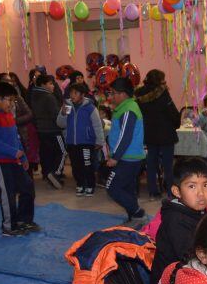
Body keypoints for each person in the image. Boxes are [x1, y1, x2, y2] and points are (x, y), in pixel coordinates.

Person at [0, 82, 39, 236]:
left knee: (27, 187)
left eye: (14, 100)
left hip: (14, 160)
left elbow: (16, 138)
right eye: (9, 100)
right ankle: (9, 226)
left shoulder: (8, 115)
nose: (12, 104)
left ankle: (24, 220)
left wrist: (23, 156)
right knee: (8, 194)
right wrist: (13, 152)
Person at [149, 157, 207, 284]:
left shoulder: (197, 211)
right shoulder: (176, 220)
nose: (201, 193)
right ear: (177, 191)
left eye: (206, 185)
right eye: (192, 186)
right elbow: (193, 261)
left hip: (187, 274)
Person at [105, 77, 148, 228]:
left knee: (112, 188)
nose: (111, 97)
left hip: (128, 158)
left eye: (114, 93)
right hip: (128, 157)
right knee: (128, 189)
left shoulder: (129, 110)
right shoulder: (125, 108)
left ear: (123, 94)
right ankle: (135, 218)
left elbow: (125, 136)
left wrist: (116, 157)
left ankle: (138, 213)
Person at [135, 69, 181, 199]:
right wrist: (176, 123)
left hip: (149, 133)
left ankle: (153, 192)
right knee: (167, 165)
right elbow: (173, 113)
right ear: (158, 80)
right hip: (165, 133)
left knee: (151, 164)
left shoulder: (139, 95)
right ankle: (171, 193)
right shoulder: (162, 93)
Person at [57, 83, 105, 197]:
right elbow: (60, 124)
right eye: (71, 93)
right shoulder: (67, 106)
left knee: (87, 164)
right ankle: (80, 184)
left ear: (82, 95)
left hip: (86, 142)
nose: (72, 95)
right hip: (72, 143)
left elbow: (97, 125)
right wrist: (63, 114)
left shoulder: (90, 108)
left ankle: (90, 185)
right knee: (76, 165)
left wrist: (100, 141)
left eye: (76, 93)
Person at [29, 74, 67, 189]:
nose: (53, 86)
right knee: (62, 151)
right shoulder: (48, 97)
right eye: (50, 83)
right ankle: (56, 173)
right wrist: (63, 112)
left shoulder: (33, 95)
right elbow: (55, 115)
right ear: (43, 84)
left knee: (47, 153)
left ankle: (47, 174)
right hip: (53, 129)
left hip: (41, 129)